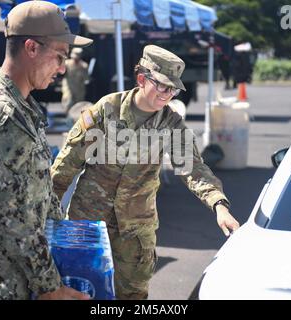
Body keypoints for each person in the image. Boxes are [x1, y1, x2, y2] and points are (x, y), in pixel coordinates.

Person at [51, 45, 240, 299]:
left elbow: (192, 168)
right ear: (142, 79)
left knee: (133, 297)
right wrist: (46, 215)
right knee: (82, 292)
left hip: (136, 232)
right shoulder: (107, 110)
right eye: (162, 86)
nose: (168, 94)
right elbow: (66, 164)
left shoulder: (171, 123)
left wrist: (219, 205)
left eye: (172, 89)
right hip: (88, 226)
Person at [0, 1, 93, 300]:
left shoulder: (21, 105)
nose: (61, 68)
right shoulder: (3, 112)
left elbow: (36, 192)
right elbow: (11, 216)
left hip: (17, 277)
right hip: (2, 284)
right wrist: (50, 287)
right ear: (31, 48)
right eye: (59, 56)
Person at [61, 47, 89, 113]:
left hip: (79, 89)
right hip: (69, 87)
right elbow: (61, 74)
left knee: (78, 106)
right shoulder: (67, 64)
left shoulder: (84, 66)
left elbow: (86, 79)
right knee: (68, 103)